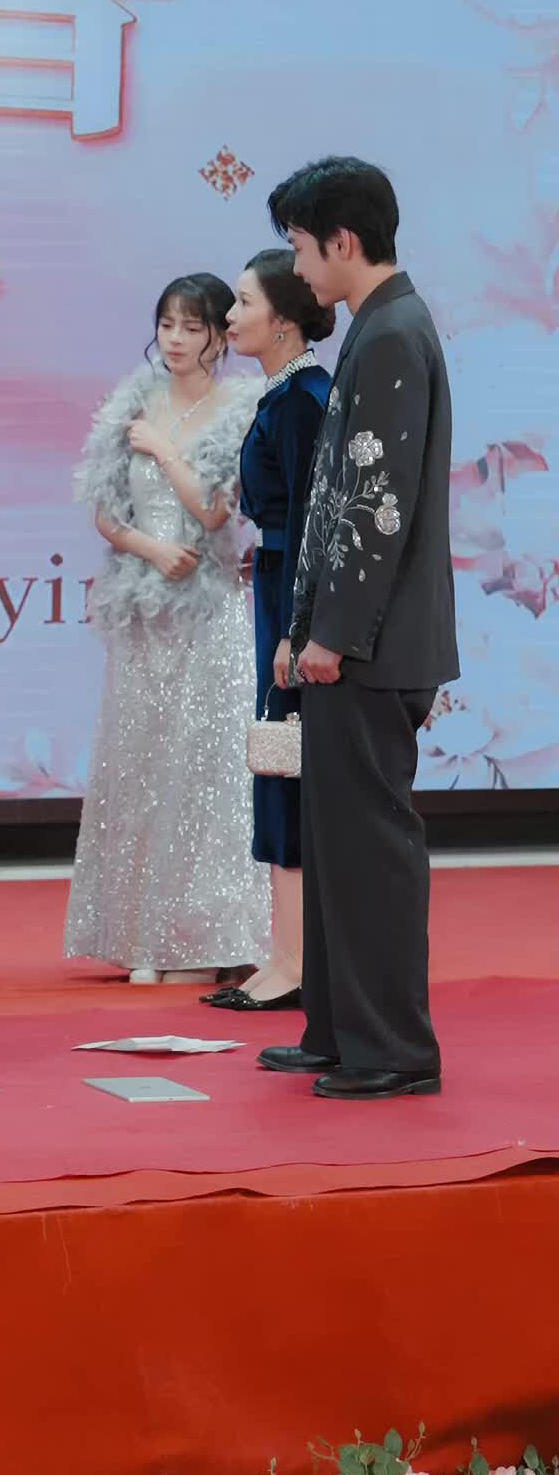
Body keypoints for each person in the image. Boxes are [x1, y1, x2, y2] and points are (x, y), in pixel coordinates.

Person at [257, 158, 459, 1100]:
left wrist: (330, 636)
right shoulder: (381, 328)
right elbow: (343, 498)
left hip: (370, 648)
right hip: (354, 640)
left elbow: (378, 506)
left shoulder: (391, 335)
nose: (299, 269)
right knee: (338, 843)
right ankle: (342, 1033)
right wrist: (306, 627)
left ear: (342, 242)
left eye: (302, 247)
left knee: (370, 848)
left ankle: (393, 1050)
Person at [64, 275, 271, 984]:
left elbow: (214, 512)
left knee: (210, 772)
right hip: (145, 612)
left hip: (210, 613)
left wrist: (166, 450)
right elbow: (105, 512)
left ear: (219, 334)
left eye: (192, 326)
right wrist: (150, 549)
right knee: (142, 767)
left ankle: (210, 936)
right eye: (167, 325)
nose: (175, 339)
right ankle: (142, 940)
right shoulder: (132, 402)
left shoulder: (241, 407)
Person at [203, 250, 333, 1014]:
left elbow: (318, 524)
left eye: (244, 302)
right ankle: (284, 955)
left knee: (288, 765)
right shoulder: (285, 394)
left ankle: (298, 962)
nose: (230, 316)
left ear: (283, 318)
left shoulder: (305, 402)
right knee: (277, 766)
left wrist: (295, 627)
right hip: (277, 587)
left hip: (292, 595)